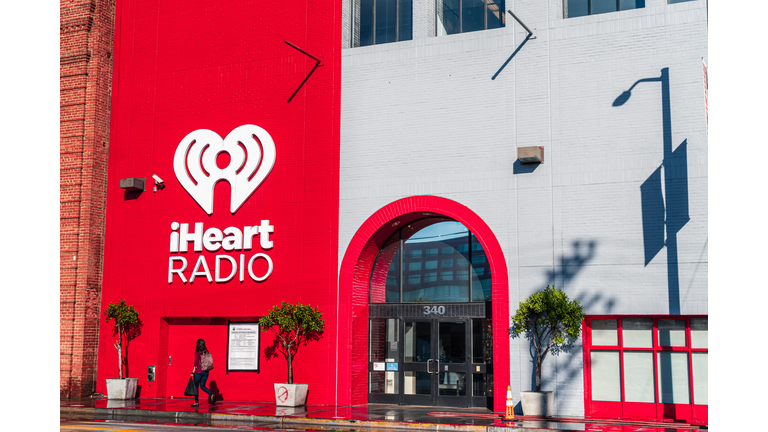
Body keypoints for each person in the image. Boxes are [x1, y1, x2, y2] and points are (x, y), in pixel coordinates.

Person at [191, 338, 215, 407]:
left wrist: (193, 372)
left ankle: (196, 402)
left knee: (196, 387)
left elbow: (196, 363)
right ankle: (212, 395)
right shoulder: (206, 351)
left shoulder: (197, 352)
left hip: (198, 372)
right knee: (202, 386)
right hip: (206, 372)